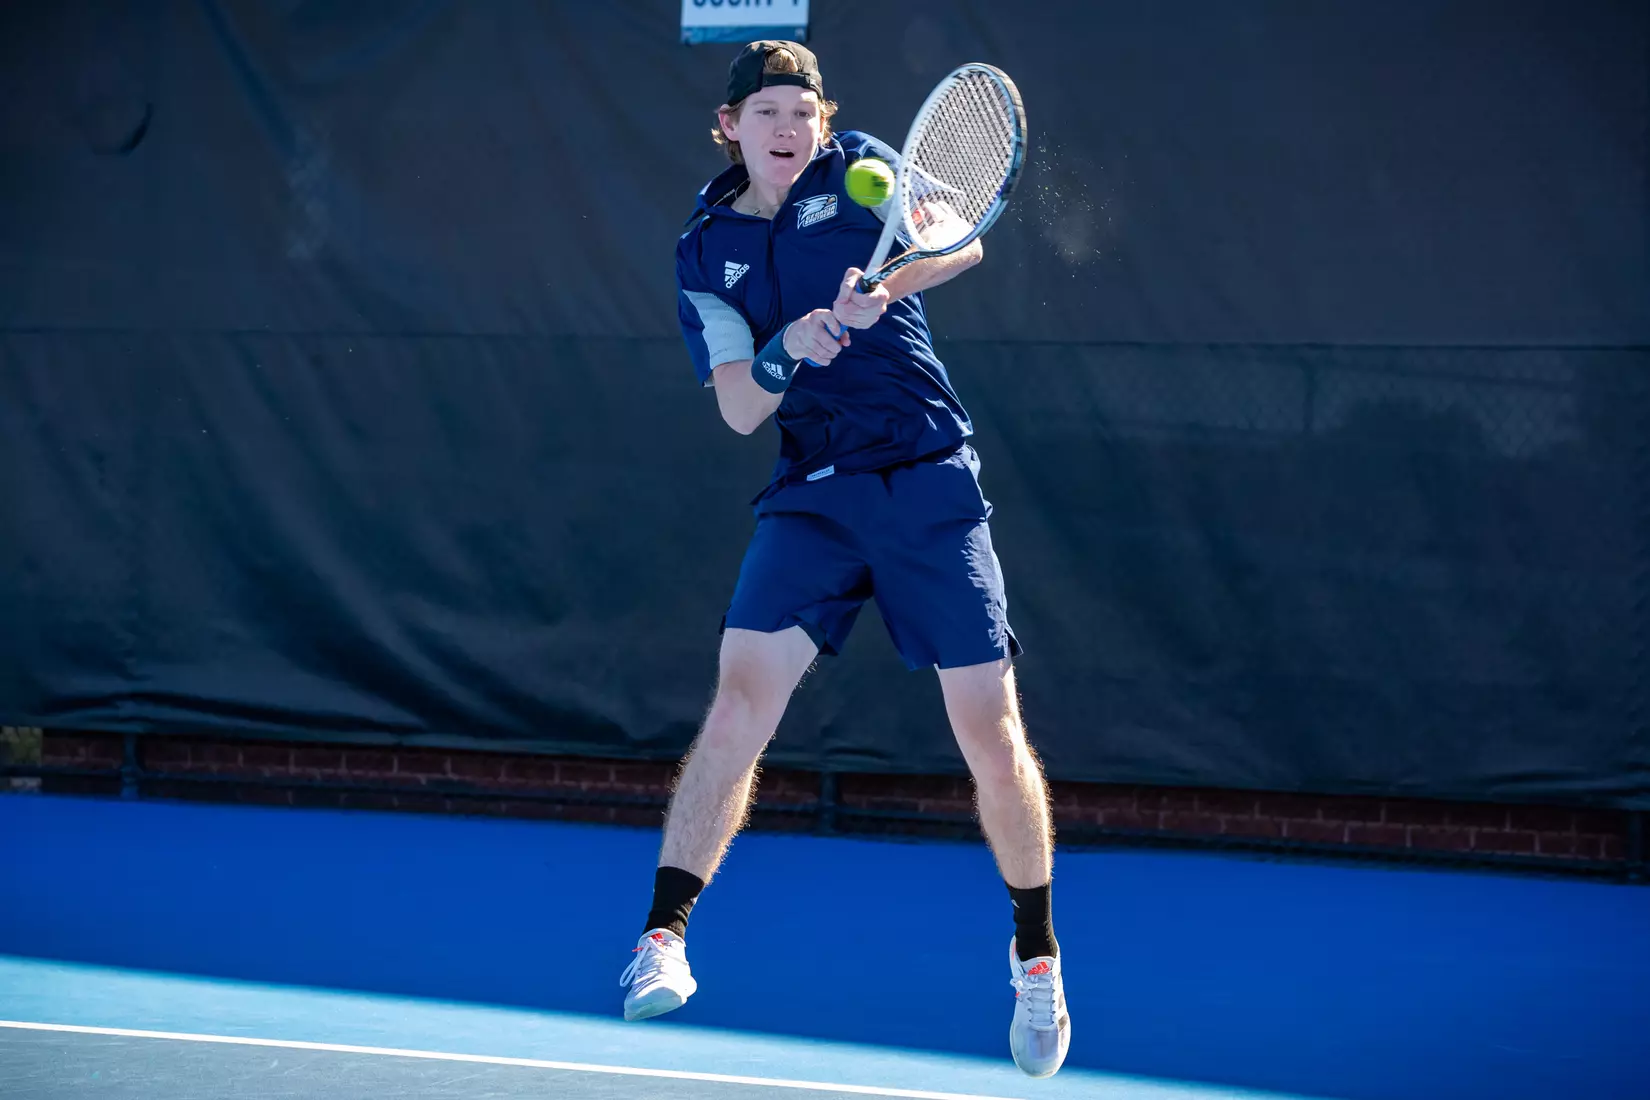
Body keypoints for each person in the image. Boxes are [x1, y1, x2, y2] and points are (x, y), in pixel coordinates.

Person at [618, 40, 1070, 1078]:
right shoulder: (704, 251)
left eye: (804, 111)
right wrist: (792, 347)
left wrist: (889, 282)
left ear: (825, 122)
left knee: (988, 726)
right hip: (815, 493)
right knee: (738, 699)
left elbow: (963, 244)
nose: (789, 127)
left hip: (924, 479)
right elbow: (740, 405)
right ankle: (663, 937)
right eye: (769, 110)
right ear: (730, 125)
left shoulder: (864, 166)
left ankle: (1037, 956)